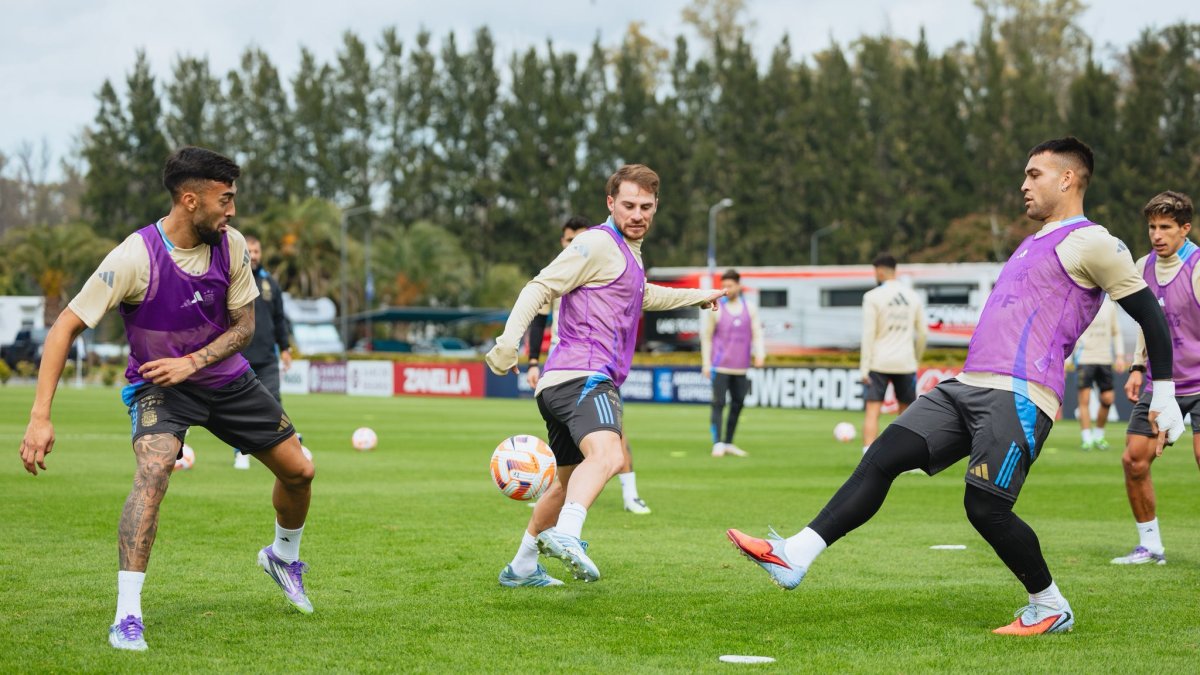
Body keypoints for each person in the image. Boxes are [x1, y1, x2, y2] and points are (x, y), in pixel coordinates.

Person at [727, 137, 1184, 636]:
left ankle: (1050, 605)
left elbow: (1151, 318)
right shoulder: (1035, 239)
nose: (1023, 184)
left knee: (985, 507)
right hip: (965, 385)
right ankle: (795, 554)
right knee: (882, 456)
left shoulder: (1095, 242)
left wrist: (1164, 393)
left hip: (1021, 394)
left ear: (1068, 178)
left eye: (1034, 174)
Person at [19, 147, 316, 651]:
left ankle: (283, 556)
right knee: (154, 472)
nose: (232, 211)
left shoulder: (232, 245)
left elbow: (245, 326)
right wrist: (39, 417)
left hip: (226, 379)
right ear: (189, 199)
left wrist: (194, 362)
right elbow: (64, 326)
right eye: (225, 200)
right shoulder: (134, 257)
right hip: (159, 385)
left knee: (300, 471)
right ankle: (127, 615)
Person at [487, 164, 725, 586]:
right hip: (585, 375)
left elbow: (643, 295)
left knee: (563, 486)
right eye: (629, 205)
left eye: (646, 207)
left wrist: (699, 295)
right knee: (611, 456)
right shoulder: (596, 241)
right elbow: (538, 287)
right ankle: (569, 535)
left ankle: (521, 566)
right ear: (610, 204)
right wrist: (509, 344)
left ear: (655, 207)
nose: (638, 214)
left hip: (563, 382)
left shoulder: (627, 252)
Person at [527, 216, 651, 514]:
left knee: (616, 431)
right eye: (569, 240)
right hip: (561, 366)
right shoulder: (557, 273)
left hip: (597, 364)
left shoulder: (601, 265)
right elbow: (538, 317)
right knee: (565, 444)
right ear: (562, 241)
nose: (574, 244)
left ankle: (630, 494)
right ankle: (560, 499)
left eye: (578, 239)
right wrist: (533, 361)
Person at [1111, 190, 1199, 566]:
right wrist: (1137, 366)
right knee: (1134, 460)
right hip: (1161, 383)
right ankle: (1151, 547)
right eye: (1152, 227)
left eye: (1165, 227)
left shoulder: (1197, 267)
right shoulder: (1142, 265)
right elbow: (1149, 324)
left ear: (1185, 229)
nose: (1157, 234)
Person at [233, 235, 294, 469]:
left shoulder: (271, 283)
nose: (254, 255)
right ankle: (241, 451)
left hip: (268, 357)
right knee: (239, 407)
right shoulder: (233, 279)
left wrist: (285, 348)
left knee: (273, 404)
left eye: (257, 251)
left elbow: (279, 319)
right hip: (239, 357)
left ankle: (282, 451)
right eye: (249, 251)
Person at [858, 253, 927, 454]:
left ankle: (867, 456)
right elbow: (923, 332)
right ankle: (904, 458)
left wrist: (864, 368)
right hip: (905, 362)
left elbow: (868, 334)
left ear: (879, 271)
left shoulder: (871, 297)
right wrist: (916, 358)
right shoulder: (913, 296)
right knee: (906, 414)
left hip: (879, 362)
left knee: (873, 411)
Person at [701, 268, 765, 457]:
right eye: (723, 286)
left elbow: (757, 333)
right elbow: (707, 336)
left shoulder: (750, 308)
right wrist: (706, 363)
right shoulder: (716, 309)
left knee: (737, 405)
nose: (726, 289)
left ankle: (729, 442)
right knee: (718, 404)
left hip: (741, 367)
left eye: (730, 285)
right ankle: (718, 443)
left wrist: (760, 354)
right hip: (720, 366)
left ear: (738, 285)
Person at [1071, 295, 1124, 450]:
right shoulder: (1079, 304)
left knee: (1107, 399)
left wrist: (1120, 355)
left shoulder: (1109, 306)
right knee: (1084, 400)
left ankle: (1099, 435)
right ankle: (1086, 438)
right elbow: (1071, 331)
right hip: (1084, 358)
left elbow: (1116, 332)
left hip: (1104, 359)